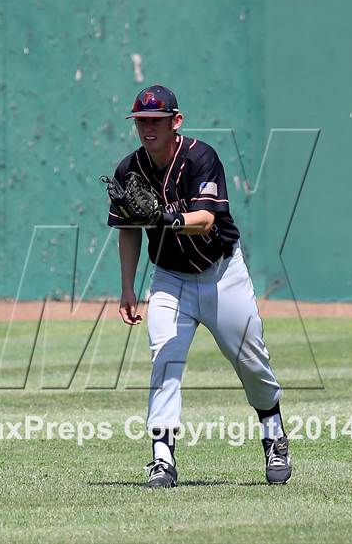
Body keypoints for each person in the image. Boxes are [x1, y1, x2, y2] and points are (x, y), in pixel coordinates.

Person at [106, 84, 292, 488]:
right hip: (170, 280)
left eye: (156, 120)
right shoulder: (129, 169)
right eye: (141, 121)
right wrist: (126, 288)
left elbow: (206, 220)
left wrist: (166, 221)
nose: (147, 128)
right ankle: (162, 459)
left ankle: (274, 433)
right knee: (165, 360)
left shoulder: (201, 157)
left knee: (251, 363)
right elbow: (128, 230)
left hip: (222, 274)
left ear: (176, 121)